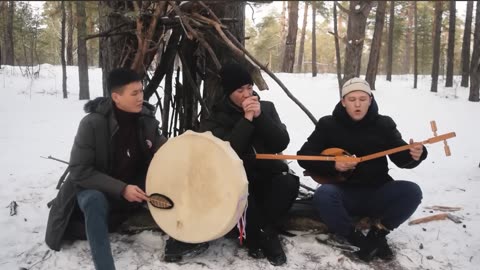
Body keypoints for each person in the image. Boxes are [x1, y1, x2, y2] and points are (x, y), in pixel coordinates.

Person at [45, 68, 178, 269]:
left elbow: (161, 147)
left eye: (141, 91)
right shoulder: (92, 124)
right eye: (134, 93)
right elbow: (80, 171)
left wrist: (180, 150)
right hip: (96, 189)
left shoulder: (146, 120)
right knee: (94, 201)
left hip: (133, 189)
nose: (140, 97)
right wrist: (122, 189)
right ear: (116, 96)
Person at [297, 77, 428, 262]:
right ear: (343, 102)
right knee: (324, 195)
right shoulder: (328, 125)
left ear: (370, 100)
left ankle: (378, 233)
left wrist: (416, 154)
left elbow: (401, 158)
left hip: (378, 191)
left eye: (362, 99)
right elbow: (304, 156)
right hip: (343, 194)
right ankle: (353, 237)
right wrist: (332, 165)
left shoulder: (384, 124)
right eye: (351, 100)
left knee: (412, 191)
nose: (357, 104)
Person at [200, 63, 300, 266]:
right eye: (239, 90)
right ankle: (265, 237)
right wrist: (246, 120)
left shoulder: (268, 108)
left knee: (288, 183)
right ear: (228, 93)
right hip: (237, 177)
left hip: (269, 172)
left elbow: (281, 142)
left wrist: (260, 117)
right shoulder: (216, 117)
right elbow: (229, 151)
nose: (247, 94)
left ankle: (258, 233)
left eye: (249, 87)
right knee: (245, 195)